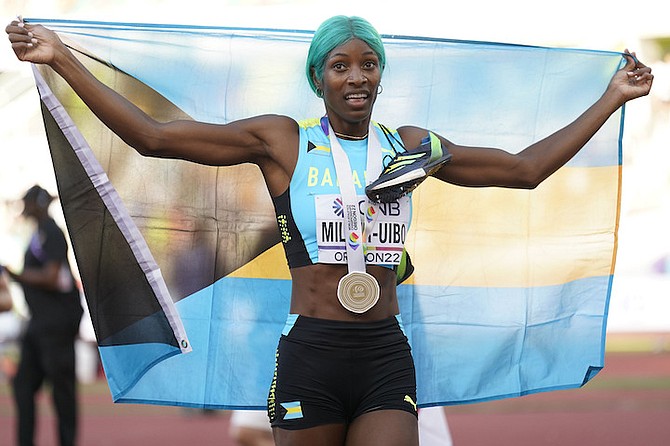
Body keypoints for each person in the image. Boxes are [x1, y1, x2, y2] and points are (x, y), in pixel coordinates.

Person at [6, 15, 653, 446]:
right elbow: (153, 137)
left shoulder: (412, 146)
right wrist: (61, 58)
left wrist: (612, 95)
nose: (357, 77)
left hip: (383, 353)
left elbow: (525, 170)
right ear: (318, 77)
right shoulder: (282, 141)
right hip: (311, 352)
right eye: (340, 66)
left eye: (368, 65)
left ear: (381, 76)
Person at [2, 185, 83, 446]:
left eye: (28, 202)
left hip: (56, 325)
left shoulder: (51, 231)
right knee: (23, 385)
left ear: (37, 203)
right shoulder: (39, 234)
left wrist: (15, 275)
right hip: (39, 325)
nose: (24, 208)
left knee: (62, 391)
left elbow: (51, 276)